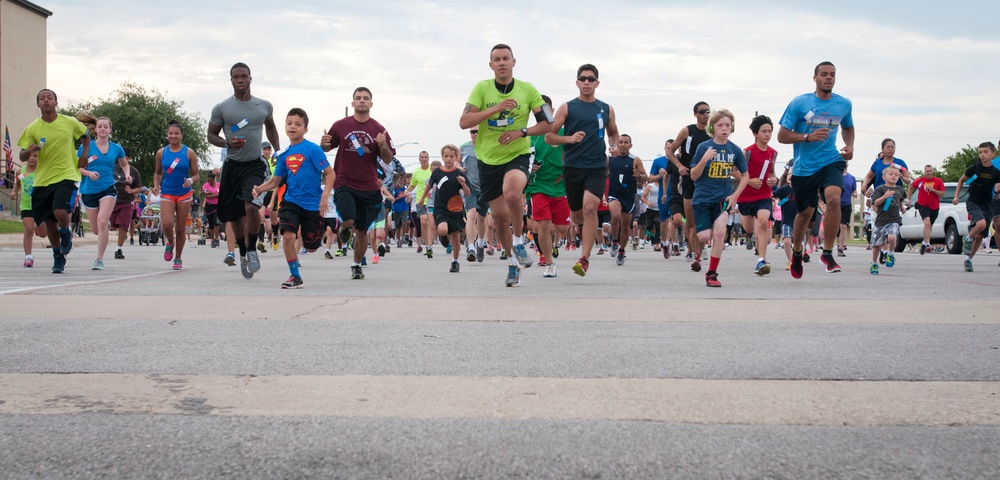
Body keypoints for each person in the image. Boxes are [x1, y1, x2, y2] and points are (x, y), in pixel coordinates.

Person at [460, 44, 551, 287]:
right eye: (496, 59)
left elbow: (547, 124)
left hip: (518, 153)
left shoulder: (527, 89)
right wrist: (496, 108)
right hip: (488, 159)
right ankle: (512, 262)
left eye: (505, 59)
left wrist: (522, 131)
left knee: (513, 193)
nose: (501, 63)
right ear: (491, 65)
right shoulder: (482, 88)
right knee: (499, 219)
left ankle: (520, 243)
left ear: (513, 62)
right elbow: (464, 121)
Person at [777, 61, 855, 279]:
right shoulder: (800, 103)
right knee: (805, 214)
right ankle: (797, 251)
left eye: (832, 75)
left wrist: (850, 146)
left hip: (831, 160)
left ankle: (828, 253)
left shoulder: (844, 104)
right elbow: (782, 135)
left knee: (833, 199)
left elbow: (848, 127)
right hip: (804, 168)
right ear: (815, 78)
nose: (828, 78)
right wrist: (807, 137)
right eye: (824, 74)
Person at [207, 62, 281, 279]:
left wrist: (278, 151)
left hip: (254, 165)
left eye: (244, 76)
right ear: (231, 80)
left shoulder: (264, 106)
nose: (240, 80)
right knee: (235, 215)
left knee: (251, 207)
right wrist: (227, 143)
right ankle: (241, 251)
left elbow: (271, 126)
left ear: (250, 78)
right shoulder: (222, 108)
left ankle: (252, 250)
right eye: (236, 77)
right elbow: (211, 135)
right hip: (232, 166)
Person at [545, 63, 619, 278]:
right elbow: (550, 137)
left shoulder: (606, 108)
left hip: (596, 166)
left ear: (597, 83)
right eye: (583, 79)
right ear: (577, 83)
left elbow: (613, 133)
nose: (587, 82)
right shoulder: (567, 107)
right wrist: (569, 138)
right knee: (578, 215)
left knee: (590, 209)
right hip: (572, 167)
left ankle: (584, 259)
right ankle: (580, 228)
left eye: (591, 79)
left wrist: (613, 146)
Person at [252, 108, 334, 288]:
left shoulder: (313, 149)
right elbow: (275, 181)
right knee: (288, 236)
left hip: (312, 204)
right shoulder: (283, 154)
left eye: (298, 124)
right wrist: (259, 189)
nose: (292, 127)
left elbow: (330, 173)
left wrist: (325, 196)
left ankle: (311, 239)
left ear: (305, 129)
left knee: (312, 247)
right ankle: (295, 276)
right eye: (289, 123)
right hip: (291, 201)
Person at [321, 86, 396, 280]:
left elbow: (388, 159)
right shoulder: (340, 125)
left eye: (366, 98)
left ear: (371, 104)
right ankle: (345, 228)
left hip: (369, 186)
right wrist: (324, 143)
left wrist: (383, 145)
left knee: (362, 230)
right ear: (353, 103)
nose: (362, 101)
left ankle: (356, 265)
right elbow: (327, 146)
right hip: (344, 182)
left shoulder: (379, 129)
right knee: (347, 220)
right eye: (358, 98)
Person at [16, 88, 91, 273]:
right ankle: (58, 256)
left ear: (56, 102)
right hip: (42, 180)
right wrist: (29, 151)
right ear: (38, 104)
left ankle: (66, 231)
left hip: (67, 174)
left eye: (50, 97)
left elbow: (86, 136)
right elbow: (22, 155)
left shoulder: (69, 122)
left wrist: (84, 155)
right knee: (49, 222)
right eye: (42, 98)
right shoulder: (33, 128)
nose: (46, 100)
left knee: (59, 210)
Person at [690, 109, 749, 287]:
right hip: (702, 198)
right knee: (703, 236)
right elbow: (693, 175)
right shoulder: (703, 147)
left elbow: (745, 176)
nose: (724, 129)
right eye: (720, 125)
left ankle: (712, 274)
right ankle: (698, 254)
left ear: (732, 128)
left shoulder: (734, 150)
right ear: (712, 127)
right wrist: (704, 159)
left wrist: (735, 195)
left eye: (728, 125)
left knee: (720, 233)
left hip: (723, 198)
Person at [74, 115, 128, 271]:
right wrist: (89, 174)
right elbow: (79, 168)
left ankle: (99, 259)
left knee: (102, 221)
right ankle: (104, 224)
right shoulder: (86, 147)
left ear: (110, 130)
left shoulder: (116, 148)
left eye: (106, 126)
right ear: (95, 129)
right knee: (97, 229)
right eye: (100, 126)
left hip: (108, 188)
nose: (103, 129)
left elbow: (124, 164)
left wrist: (127, 173)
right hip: (89, 190)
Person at [525, 94, 570, 278]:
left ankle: (553, 246)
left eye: (545, 109)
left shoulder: (563, 132)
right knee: (543, 224)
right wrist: (530, 168)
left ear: (552, 111)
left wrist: (567, 173)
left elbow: (572, 155)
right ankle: (549, 262)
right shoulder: (528, 136)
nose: (541, 113)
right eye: (537, 110)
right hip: (538, 185)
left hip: (560, 186)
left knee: (561, 228)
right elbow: (520, 162)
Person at [666, 102, 712, 270]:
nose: (706, 114)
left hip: (707, 181)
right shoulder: (688, 131)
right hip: (688, 180)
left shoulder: (713, 133)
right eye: (702, 112)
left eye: (708, 111)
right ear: (695, 114)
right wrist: (679, 166)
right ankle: (695, 254)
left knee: (707, 219)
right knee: (691, 223)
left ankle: (700, 250)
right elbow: (670, 152)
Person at [153, 120, 199, 270]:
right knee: (166, 223)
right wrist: (156, 185)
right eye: (170, 133)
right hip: (167, 192)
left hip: (184, 194)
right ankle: (169, 242)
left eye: (176, 134)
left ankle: (178, 258)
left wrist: (190, 181)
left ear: (181, 135)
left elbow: (196, 175)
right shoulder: (161, 152)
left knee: (180, 228)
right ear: (167, 135)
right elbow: (158, 172)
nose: (173, 136)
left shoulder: (188, 152)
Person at [417, 144, 470, 273]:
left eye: (451, 156)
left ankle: (455, 261)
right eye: (446, 156)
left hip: (456, 208)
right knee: (441, 229)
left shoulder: (459, 173)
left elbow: (468, 193)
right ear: (442, 157)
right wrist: (421, 199)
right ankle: (444, 237)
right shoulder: (437, 172)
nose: (448, 159)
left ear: (456, 157)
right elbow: (429, 186)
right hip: (441, 208)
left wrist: (463, 184)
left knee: (456, 237)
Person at [739, 115, 779, 276]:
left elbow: (772, 172)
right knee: (749, 227)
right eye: (764, 131)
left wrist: (773, 179)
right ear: (755, 134)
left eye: (770, 131)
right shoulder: (746, 152)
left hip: (764, 195)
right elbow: (735, 171)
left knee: (763, 222)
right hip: (746, 196)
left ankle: (761, 259)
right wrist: (748, 181)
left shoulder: (773, 153)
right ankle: (748, 235)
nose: (767, 134)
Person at [953, 142, 1000, 272]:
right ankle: (967, 238)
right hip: (973, 202)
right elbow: (961, 180)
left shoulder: (996, 173)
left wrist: (996, 192)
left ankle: (968, 259)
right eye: (980, 152)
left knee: (980, 236)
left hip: (988, 204)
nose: (983, 155)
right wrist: (956, 196)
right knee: (981, 224)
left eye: (985, 152)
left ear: (993, 153)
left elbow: (995, 198)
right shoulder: (974, 169)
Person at [606, 134, 647, 265]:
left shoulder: (635, 160)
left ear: (630, 145)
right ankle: (614, 242)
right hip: (614, 194)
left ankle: (621, 251)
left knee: (625, 226)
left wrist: (638, 175)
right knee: (615, 215)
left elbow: (645, 177)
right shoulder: (610, 160)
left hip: (629, 196)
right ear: (617, 145)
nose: (623, 144)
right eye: (621, 142)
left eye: (626, 142)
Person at [869, 165, 906, 275]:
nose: (894, 176)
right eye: (891, 174)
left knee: (892, 237)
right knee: (877, 246)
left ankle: (890, 254)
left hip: (894, 219)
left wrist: (903, 207)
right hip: (881, 220)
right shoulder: (880, 189)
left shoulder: (900, 189)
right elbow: (875, 203)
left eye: (896, 174)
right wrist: (885, 196)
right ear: (884, 177)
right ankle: (874, 263)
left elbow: (901, 200)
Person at [460, 129, 490, 263]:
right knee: (471, 214)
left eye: (478, 131)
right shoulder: (464, 147)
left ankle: (480, 244)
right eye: (472, 132)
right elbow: (457, 161)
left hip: (484, 186)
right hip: (469, 186)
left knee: (482, 218)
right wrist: (459, 167)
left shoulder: (488, 145)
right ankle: (471, 247)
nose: (475, 134)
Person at [906, 165, 945, 255]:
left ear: (933, 171)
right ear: (924, 172)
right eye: (927, 171)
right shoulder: (920, 181)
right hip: (922, 205)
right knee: (926, 222)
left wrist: (933, 190)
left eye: (930, 171)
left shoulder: (938, 181)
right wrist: (909, 198)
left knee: (930, 225)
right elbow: (911, 187)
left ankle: (924, 242)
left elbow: (942, 193)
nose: (929, 173)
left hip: (934, 206)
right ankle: (927, 244)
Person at [112, 147, 142, 259]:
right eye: (120, 157)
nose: (122, 160)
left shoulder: (134, 172)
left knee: (123, 225)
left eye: (124, 157)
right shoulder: (113, 169)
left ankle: (118, 249)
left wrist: (132, 191)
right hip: (112, 200)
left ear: (129, 158)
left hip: (127, 201)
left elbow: (139, 188)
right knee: (112, 224)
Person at [15, 150, 42, 267]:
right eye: (29, 156)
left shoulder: (42, 171)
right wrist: (13, 192)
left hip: (40, 205)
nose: (32, 159)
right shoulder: (21, 172)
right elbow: (18, 183)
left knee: (43, 234)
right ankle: (28, 257)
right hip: (26, 205)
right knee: (28, 229)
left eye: (35, 156)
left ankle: (38, 228)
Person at [403, 151, 433, 254]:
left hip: (432, 200)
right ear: (419, 159)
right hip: (421, 201)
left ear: (428, 158)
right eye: (422, 157)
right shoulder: (416, 172)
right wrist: (407, 190)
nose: (424, 159)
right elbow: (412, 185)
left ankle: (429, 243)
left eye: (426, 157)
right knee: (423, 222)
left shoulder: (433, 170)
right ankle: (427, 245)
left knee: (431, 224)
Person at [837, 169, 857, 256]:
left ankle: (841, 248)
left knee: (844, 226)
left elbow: (854, 189)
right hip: (835, 204)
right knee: (834, 226)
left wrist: (855, 193)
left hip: (846, 204)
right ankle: (828, 247)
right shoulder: (835, 175)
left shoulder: (851, 178)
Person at [202, 172, 221, 247]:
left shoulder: (219, 185)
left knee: (217, 222)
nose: (209, 182)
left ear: (214, 179)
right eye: (208, 181)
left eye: (211, 181)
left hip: (217, 205)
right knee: (211, 224)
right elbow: (207, 196)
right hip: (209, 205)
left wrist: (211, 194)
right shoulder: (205, 186)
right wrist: (216, 194)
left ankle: (216, 238)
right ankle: (212, 239)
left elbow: (221, 194)